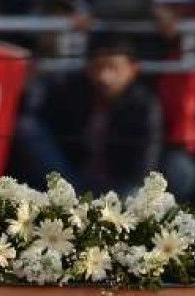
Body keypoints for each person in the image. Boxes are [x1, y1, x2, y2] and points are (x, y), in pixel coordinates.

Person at [12, 32, 163, 197]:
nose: (104, 77)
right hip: (73, 180)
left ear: (133, 69)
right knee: (27, 128)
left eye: (113, 68)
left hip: (119, 187)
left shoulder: (145, 105)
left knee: (136, 192)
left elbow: (143, 167)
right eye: (98, 67)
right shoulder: (74, 91)